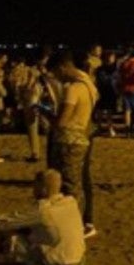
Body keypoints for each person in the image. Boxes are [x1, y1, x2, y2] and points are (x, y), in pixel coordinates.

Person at [0, 169, 86, 265]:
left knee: (4, 231)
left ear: (43, 189)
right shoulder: (71, 203)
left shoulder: (42, 211)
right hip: (75, 261)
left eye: (35, 186)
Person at [47, 50, 100, 238]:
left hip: (69, 140)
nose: (56, 77)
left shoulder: (73, 89)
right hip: (82, 137)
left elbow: (62, 120)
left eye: (55, 72)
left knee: (69, 186)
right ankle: (82, 223)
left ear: (62, 67)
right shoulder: (88, 84)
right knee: (78, 183)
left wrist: (47, 116)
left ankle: (74, 228)